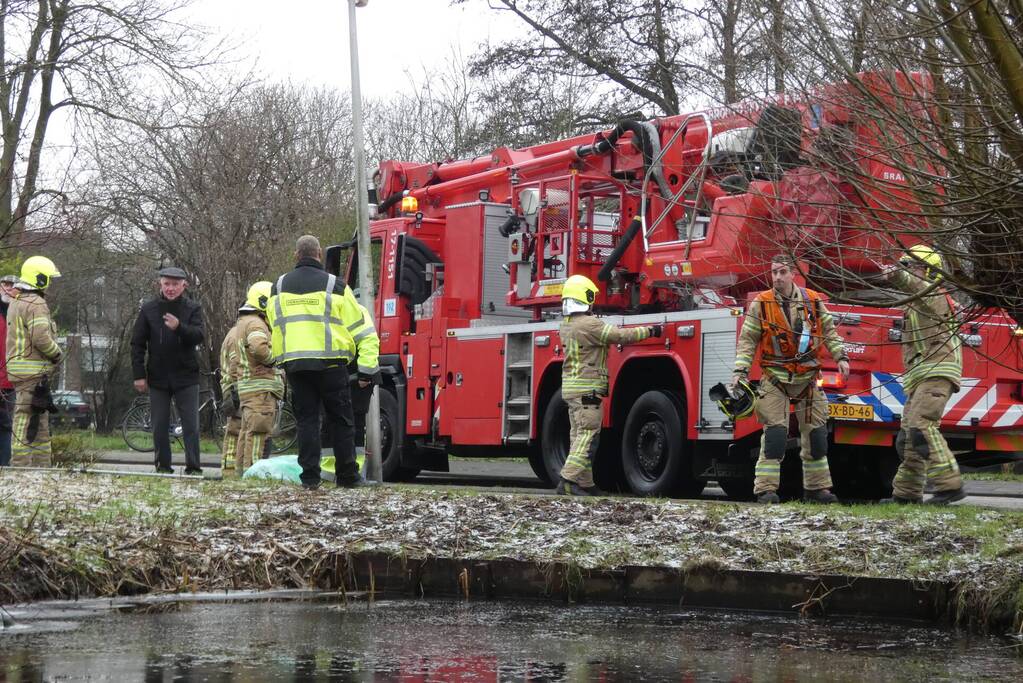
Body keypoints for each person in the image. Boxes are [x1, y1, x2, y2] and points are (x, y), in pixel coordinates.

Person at [732, 255, 849, 504]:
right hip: (775, 378)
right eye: (774, 272)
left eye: (782, 272)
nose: (777, 277)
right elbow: (747, 341)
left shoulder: (813, 301)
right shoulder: (761, 304)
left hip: (808, 378)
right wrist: (740, 372)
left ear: (793, 274)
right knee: (775, 435)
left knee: (816, 436)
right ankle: (765, 490)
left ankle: (817, 489)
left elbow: (829, 330)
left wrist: (841, 357)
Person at [267, 235, 379, 490]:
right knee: (341, 420)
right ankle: (348, 476)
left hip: (296, 364)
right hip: (331, 365)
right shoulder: (335, 286)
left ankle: (309, 478)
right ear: (319, 254)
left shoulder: (279, 286)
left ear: (297, 255)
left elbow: (275, 322)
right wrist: (366, 369)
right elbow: (360, 328)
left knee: (307, 421)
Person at [557, 274, 660, 496]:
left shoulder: (566, 326)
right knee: (587, 435)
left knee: (579, 435)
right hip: (587, 390)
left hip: (572, 389)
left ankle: (586, 484)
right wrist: (650, 331)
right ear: (584, 297)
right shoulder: (589, 325)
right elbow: (620, 336)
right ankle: (568, 479)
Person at [881, 245, 965, 505]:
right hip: (921, 376)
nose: (908, 270)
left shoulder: (933, 294)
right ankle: (906, 494)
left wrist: (896, 274)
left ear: (928, 270)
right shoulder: (918, 302)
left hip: (938, 370)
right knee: (908, 438)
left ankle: (949, 485)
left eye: (912, 265)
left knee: (921, 428)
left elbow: (914, 285)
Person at [131, 266, 205, 475]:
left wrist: (179, 327)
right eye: (167, 284)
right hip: (158, 376)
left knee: (191, 426)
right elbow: (137, 344)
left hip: (186, 376)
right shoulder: (148, 309)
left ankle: (193, 468)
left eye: (175, 284)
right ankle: (163, 467)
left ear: (184, 285)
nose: (171, 288)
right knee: (159, 425)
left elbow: (199, 336)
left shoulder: (193, 308)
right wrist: (138, 375)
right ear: (160, 284)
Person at [6, 256, 63, 467]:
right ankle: (21, 466)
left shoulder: (17, 301)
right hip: (33, 372)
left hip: (21, 371)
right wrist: (57, 354)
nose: (49, 282)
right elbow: (41, 338)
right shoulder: (36, 303)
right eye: (48, 278)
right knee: (26, 418)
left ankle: (42, 466)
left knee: (39, 420)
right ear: (39, 278)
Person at [231, 281, 284, 475]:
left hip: (249, 387)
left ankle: (241, 473)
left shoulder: (243, 322)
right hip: (260, 390)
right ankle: (254, 474)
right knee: (259, 433)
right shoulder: (256, 323)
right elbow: (259, 347)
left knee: (247, 433)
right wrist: (275, 361)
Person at [219, 316, 242, 477]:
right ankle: (229, 472)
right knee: (235, 431)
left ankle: (229, 470)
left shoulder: (233, 332)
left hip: (232, 388)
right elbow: (236, 365)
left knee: (233, 431)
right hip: (236, 390)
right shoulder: (237, 335)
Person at [0, 274, 18, 466]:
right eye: (5, 284)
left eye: (12, 285)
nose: (7, 288)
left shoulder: (19, 313)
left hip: (9, 381)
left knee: (5, 425)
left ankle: (4, 466)